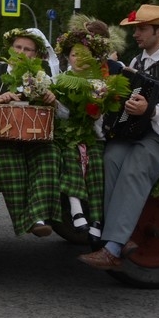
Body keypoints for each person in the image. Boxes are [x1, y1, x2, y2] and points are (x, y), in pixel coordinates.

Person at [79, 4, 159, 270]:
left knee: (134, 169)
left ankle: (112, 248)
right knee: (110, 160)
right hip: (133, 132)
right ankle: (122, 237)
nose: (136, 34)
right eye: (136, 29)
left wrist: (150, 109)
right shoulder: (136, 62)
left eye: (141, 29)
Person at [0, 28, 65, 238]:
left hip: (36, 137)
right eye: (18, 47)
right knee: (9, 165)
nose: (22, 52)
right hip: (1, 137)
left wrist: (54, 101)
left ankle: (38, 218)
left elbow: (64, 114)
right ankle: (32, 220)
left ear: (36, 54)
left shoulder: (44, 77)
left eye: (28, 49)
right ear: (11, 48)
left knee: (50, 156)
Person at [52, 15, 125, 238]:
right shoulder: (63, 79)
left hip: (96, 135)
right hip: (70, 133)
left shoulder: (107, 74)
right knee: (71, 156)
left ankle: (96, 220)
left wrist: (98, 106)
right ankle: (76, 211)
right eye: (74, 54)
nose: (78, 58)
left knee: (95, 165)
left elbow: (111, 110)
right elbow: (61, 112)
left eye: (85, 53)